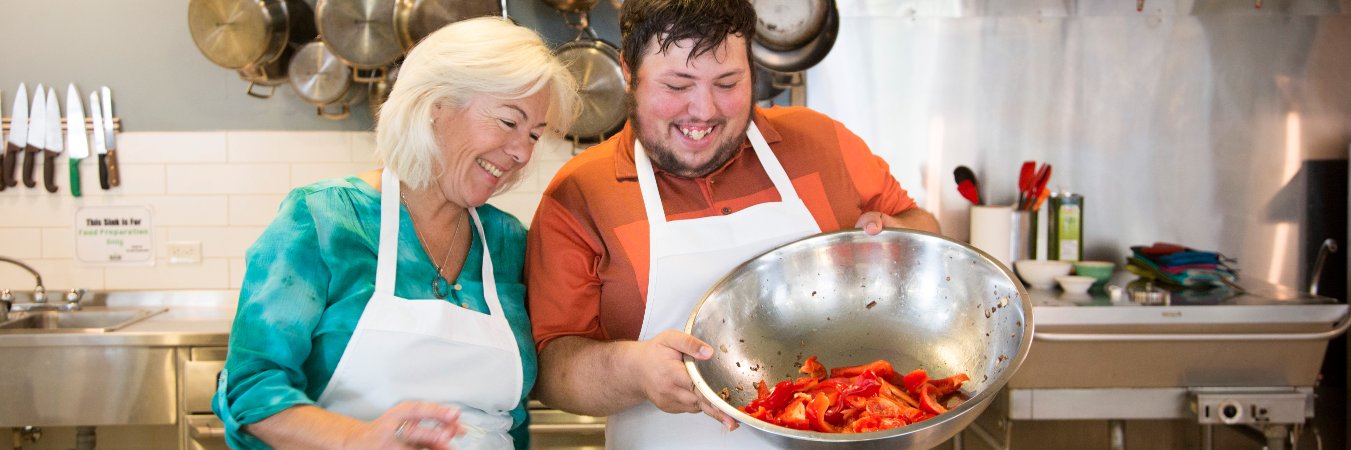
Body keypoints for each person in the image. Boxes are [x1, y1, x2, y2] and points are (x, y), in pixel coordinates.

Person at [525, 0, 941, 447]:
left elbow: (923, 230)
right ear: (629, 71)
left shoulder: (822, 142)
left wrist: (895, 238)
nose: (703, 111)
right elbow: (552, 370)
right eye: (677, 85)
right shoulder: (580, 193)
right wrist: (634, 370)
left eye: (727, 82)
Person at [212, 17, 577, 450]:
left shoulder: (507, 241)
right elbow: (250, 391)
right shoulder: (325, 219)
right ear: (435, 106)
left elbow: (511, 417)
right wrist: (357, 440)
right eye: (507, 122)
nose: (522, 152)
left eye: (535, 135)